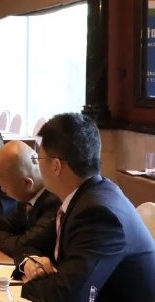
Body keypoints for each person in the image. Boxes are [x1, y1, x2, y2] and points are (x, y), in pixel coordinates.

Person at [21, 113, 155, 301]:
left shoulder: (98, 214)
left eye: (39, 159)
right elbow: (32, 244)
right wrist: (30, 263)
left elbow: (70, 296)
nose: (38, 166)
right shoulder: (84, 197)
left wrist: (30, 285)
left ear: (56, 166)